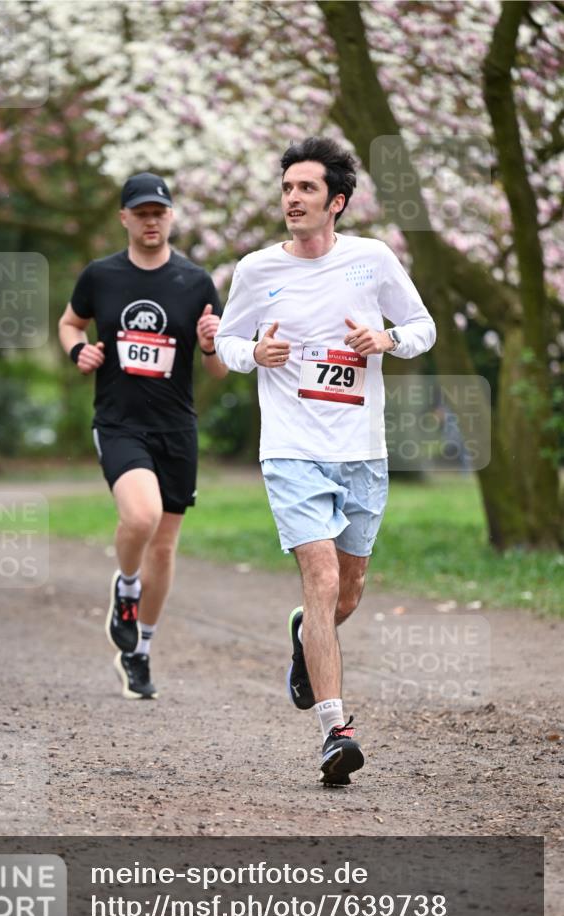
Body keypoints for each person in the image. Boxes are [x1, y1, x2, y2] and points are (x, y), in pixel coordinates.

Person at [215, 136, 435, 785]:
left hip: (360, 449)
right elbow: (228, 339)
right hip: (290, 449)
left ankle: (302, 639)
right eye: (286, 188)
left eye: (306, 188)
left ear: (336, 201)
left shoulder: (370, 261)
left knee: (347, 590)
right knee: (320, 580)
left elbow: (421, 327)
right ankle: (335, 731)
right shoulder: (257, 269)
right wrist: (254, 354)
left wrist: (385, 338)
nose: (292, 198)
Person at [58, 171, 227, 700]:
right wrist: (77, 350)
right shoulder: (101, 276)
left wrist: (209, 345)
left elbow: (221, 369)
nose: (151, 220)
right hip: (120, 421)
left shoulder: (196, 282)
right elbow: (69, 323)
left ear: (171, 216)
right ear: (124, 218)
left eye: (160, 212)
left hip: (177, 426)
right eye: (141, 212)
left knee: (165, 546)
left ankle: (139, 652)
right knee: (141, 517)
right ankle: (125, 588)